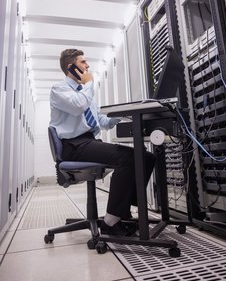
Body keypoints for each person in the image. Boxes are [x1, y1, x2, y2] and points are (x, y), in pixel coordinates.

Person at [49, 49, 157, 236]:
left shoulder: (85, 93)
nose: (88, 66)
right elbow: (77, 106)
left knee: (146, 157)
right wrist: (89, 83)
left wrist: (123, 114)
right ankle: (110, 221)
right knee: (128, 158)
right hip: (73, 146)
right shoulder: (59, 90)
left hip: (89, 142)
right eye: (83, 62)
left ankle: (123, 213)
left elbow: (102, 122)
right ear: (71, 67)